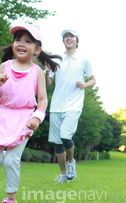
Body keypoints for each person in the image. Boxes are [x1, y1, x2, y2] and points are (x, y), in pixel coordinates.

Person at [0, 24, 61, 203]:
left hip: (24, 119)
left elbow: (42, 100)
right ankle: (13, 161)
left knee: (10, 159)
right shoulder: (4, 66)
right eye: (18, 40)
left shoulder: (37, 72)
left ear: (37, 49)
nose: (21, 44)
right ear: (13, 44)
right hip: (1, 116)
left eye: (27, 41)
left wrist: (36, 118)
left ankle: (10, 198)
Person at [45, 29, 96, 184]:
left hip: (74, 105)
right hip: (56, 105)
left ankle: (71, 162)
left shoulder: (83, 60)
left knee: (66, 136)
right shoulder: (55, 59)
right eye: (66, 37)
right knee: (57, 142)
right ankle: (63, 174)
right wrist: (47, 73)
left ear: (77, 41)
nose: (68, 38)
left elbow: (93, 80)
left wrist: (84, 84)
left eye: (71, 36)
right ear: (63, 41)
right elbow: (48, 83)